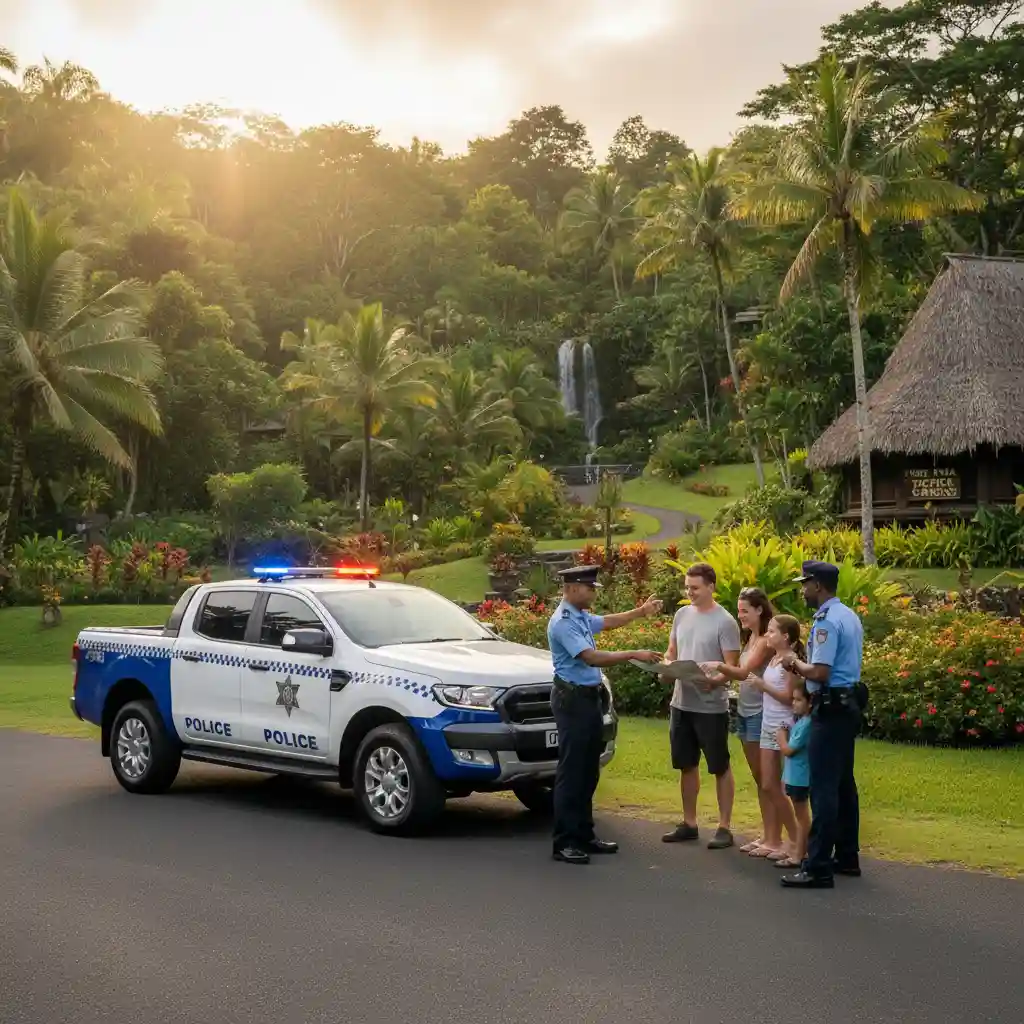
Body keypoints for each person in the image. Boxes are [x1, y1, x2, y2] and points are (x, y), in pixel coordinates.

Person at [547, 564, 663, 865]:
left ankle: (584, 834)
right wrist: (633, 653)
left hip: (588, 700)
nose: (593, 594)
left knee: (588, 770)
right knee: (572, 772)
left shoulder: (579, 616)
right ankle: (565, 841)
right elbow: (590, 656)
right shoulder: (562, 622)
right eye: (589, 589)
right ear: (572, 588)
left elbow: (606, 622)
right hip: (572, 701)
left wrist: (640, 611)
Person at [778, 561, 865, 889]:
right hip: (846, 705)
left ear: (818, 585)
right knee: (844, 784)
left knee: (824, 788)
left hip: (829, 709)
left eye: (805, 584)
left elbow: (820, 671)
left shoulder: (827, 621)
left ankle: (817, 866)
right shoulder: (849, 615)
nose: (803, 590)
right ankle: (846, 856)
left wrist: (795, 663)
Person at [661, 563, 742, 850]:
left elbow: (732, 666)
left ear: (711, 586)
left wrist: (716, 681)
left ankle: (724, 826)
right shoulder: (682, 614)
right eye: (687, 587)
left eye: (694, 588)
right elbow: (672, 651)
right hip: (681, 702)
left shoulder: (725, 622)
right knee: (686, 764)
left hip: (711, 706)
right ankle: (689, 823)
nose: (689, 592)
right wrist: (666, 667)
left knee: (719, 765)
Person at [701, 587, 774, 856]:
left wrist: (717, 666)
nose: (740, 615)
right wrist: (716, 679)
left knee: (768, 781)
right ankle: (768, 836)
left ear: (759, 610)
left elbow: (743, 672)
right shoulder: (751, 637)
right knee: (760, 780)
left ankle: (774, 839)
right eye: (739, 610)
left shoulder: (766, 639)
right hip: (745, 711)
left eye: (745, 610)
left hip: (759, 715)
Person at [746, 615, 801, 862]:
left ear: (786, 636)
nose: (767, 635)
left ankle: (795, 840)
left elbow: (790, 698)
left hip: (783, 725)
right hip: (767, 724)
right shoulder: (774, 658)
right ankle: (785, 838)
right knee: (767, 784)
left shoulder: (790, 662)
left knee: (781, 785)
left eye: (772, 631)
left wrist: (762, 686)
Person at [775, 680, 812, 870]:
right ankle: (802, 851)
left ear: (810, 702)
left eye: (798, 700)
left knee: (802, 817)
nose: (794, 704)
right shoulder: (801, 722)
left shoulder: (807, 725)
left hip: (800, 778)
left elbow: (789, 750)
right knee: (801, 816)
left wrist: (781, 736)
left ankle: (799, 854)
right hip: (794, 776)